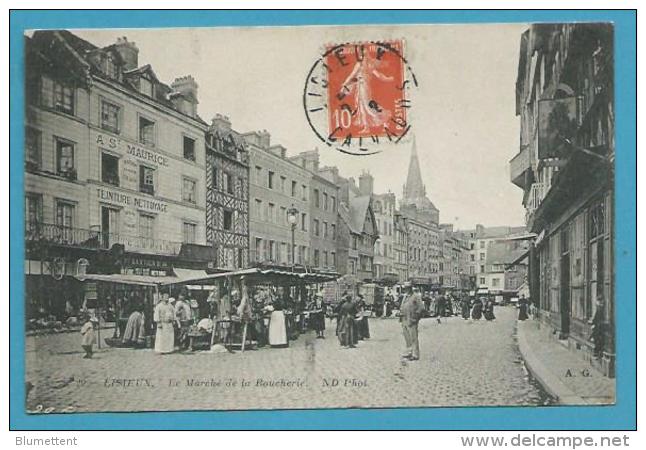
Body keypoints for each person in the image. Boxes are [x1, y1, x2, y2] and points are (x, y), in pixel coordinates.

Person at [400, 288, 425, 361]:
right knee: (407, 338)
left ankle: (415, 355)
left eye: (408, 287)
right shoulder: (405, 296)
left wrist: (415, 317)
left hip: (411, 320)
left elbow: (421, 308)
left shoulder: (416, 296)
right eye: (405, 287)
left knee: (413, 338)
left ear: (411, 288)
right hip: (404, 319)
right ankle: (409, 352)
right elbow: (402, 305)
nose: (407, 289)